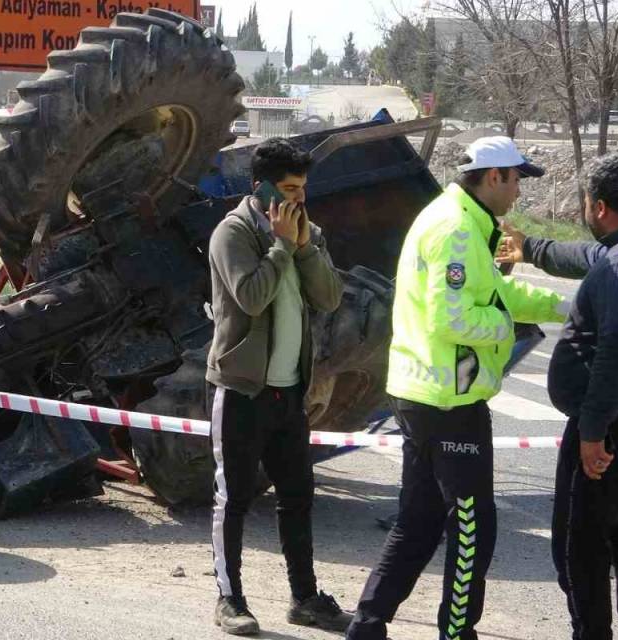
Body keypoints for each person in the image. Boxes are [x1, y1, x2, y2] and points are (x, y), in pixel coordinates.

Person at [346, 136, 567, 640]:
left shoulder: (460, 219)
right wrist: (505, 328)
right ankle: (456, 631)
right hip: (449, 400)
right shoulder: (457, 230)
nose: (519, 192)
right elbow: (453, 319)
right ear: (494, 177)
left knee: (419, 521)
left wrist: (564, 308)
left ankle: (367, 626)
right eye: (516, 180)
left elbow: (496, 292)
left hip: (423, 391)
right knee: (472, 526)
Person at [497, 155, 618, 640]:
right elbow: (584, 257)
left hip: (617, 433)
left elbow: (616, 356)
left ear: (598, 207)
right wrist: (530, 248)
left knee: (580, 552)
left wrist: (593, 433)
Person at [205, 137, 350, 636]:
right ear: (262, 188)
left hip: (289, 393)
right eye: (289, 189)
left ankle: (305, 599)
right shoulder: (233, 233)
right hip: (242, 390)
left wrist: (304, 247)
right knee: (234, 499)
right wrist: (283, 245)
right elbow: (250, 297)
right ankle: (230, 600)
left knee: (297, 497)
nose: (299, 199)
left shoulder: (308, 233)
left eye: (303, 189)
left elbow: (330, 298)